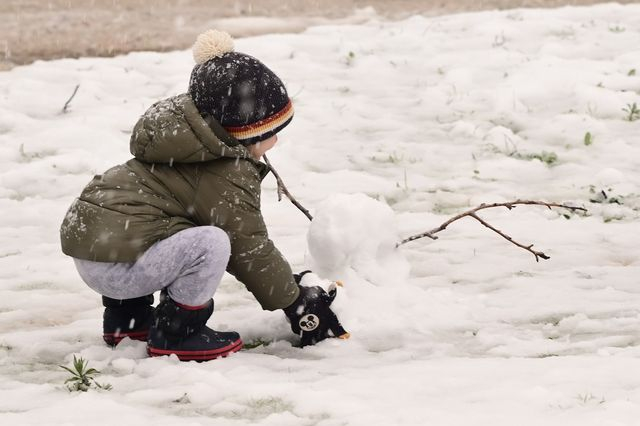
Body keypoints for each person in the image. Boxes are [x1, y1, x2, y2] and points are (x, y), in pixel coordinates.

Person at [59, 30, 348, 361]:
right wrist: (295, 301)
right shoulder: (225, 171)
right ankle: (176, 335)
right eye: (271, 134)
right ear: (247, 133)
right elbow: (249, 248)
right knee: (212, 243)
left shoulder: (184, 144)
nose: (276, 143)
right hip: (118, 269)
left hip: (95, 253)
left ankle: (128, 323)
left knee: (157, 225)